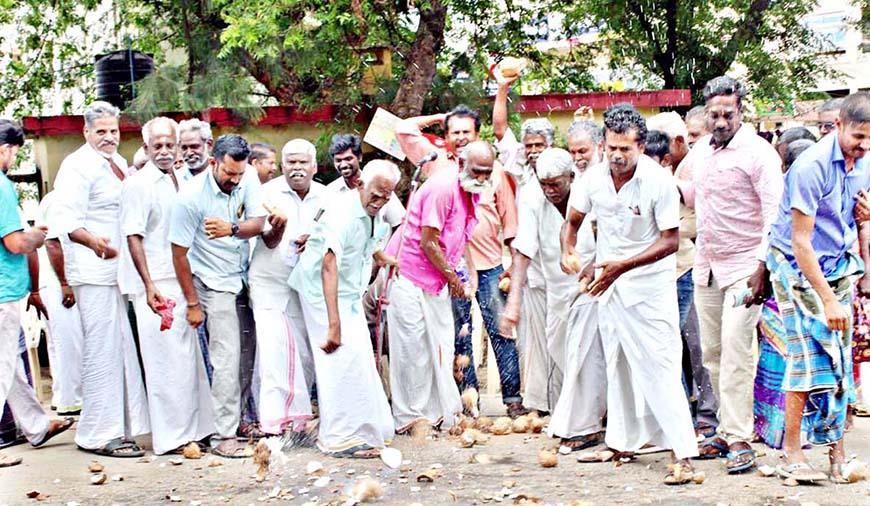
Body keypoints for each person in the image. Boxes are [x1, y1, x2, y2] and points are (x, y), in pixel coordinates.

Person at [560, 103, 698, 484]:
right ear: (604, 144)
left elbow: (670, 241)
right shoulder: (592, 179)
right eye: (612, 148)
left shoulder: (657, 182)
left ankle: (682, 453)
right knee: (616, 363)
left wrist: (621, 265)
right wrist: (568, 252)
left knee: (662, 366)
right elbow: (572, 223)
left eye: (626, 149)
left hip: (650, 288)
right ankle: (621, 442)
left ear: (640, 146)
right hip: (608, 284)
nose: (618, 156)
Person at [676, 76, 783, 473]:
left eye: (728, 113)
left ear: (741, 112)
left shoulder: (759, 154)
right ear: (705, 113)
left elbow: (776, 214)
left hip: (744, 271)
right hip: (706, 267)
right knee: (713, 354)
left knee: (737, 350)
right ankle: (724, 428)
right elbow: (690, 193)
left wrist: (762, 267)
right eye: (714, 114)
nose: (720, 121)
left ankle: (741, 438)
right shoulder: (700, 151)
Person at [766, 91, 870, 484]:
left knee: (841, 363)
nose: (863, 146)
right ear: (839, 125)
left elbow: (859, 216)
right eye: (858, 136)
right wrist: (827, 299)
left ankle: (837, 454)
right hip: (796, 268)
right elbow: (800, 242)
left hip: (839, 264)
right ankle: (792, 453)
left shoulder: (865, 161)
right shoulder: (810, 166)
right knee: (807, 359)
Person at [50, 102, 150, 457]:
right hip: (93, 271)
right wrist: (94, 243)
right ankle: (97, 434)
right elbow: (65, 221)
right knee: (102, 349)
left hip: (118, 273)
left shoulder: (118, 163)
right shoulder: (76, 166)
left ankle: (124, 426)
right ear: (86, 132)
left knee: (121, 345)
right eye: (101, 132)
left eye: (114, 131)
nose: (109, 138)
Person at [290, 160, 400, 457]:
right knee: (338, 358)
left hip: (349, 293)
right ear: (360, 183)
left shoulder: (375, 210)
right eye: (376, 195)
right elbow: (329, 265)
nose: (379, 202)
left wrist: (385, 258)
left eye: (386, 197)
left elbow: (366, 243)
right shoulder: (343, 213)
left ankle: (364, 430)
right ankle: (338, 437)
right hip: (321, 292)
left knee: (360, 358)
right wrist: (333, 324)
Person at [119, 117, 215, 455]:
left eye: (168, 145)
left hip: (182, 279)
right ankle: (173, 437)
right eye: (156, 145)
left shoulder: (178, 179)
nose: (163, 151)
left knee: (188, 360)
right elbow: (133, 236)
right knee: (165, 363)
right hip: (156, 283)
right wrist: (147, 286)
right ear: (145, 148)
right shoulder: (138, 184)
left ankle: (198, 429)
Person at [169, 134, 267, 458]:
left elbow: (259, 222)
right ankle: (224, 436)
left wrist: (233, 229)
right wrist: (193, 304)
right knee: (226, 358)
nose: (235, 180)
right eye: (229, 174)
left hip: (243, 278)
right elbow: (179, 254)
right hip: (211, 281)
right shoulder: (190, 198)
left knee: (247, 354)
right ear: (213, 163)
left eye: (239, 174)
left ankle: (239, 420)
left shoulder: (248, 177)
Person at [501, 148, 605, 451]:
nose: (549, 191)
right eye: (544, 184)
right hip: (557, 292)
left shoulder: (590, 190)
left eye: (555, 184)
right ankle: (586, 418)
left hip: (593, 285)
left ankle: (587, 423)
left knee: (586, 355)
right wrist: (514, 303)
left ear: (571, 177)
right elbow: (523, 252)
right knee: (562, 353)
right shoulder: (533, 197)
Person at [387, 141, 495, 432]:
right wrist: (454, 279)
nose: (482, 178)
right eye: (477, 171)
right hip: (409, 275)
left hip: (435, 280)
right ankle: (410, 418)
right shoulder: (443, 188)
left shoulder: (471, 191)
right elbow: (428, 242)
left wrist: (464, 275)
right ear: (461, 165)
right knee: (413, 349)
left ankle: (438, 413)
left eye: (487, 172)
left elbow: (459, 240)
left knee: (442, 346)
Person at [0, 119, 74, 468]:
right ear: (7, 149)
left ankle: (35, 425)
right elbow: (15, 243)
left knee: (10, 367)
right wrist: (37, 235)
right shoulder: (1, 186)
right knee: (1, 368)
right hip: (3, 289)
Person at [647, 113, 719, 438]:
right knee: (670, 348)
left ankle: (707, 418)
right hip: (664, 271)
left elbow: (695, 223)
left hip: (693, 269)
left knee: (699, 347)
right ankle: (678, 419)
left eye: (660, 143)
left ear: (677, 142)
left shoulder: (697, 166)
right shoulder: (663, 169)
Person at [491, 69, 557, 415]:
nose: (532, 151)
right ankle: (538, 403)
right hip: (528, 269)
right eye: (529, 146)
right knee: (531, 341)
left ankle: (564, 404)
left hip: (560, 269)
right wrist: (502, 89)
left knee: (559, 340)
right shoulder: (520, 169)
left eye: (538, 146)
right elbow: (500, 131)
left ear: (551, 147)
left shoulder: (561, 171)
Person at [247, 139, 322, 436]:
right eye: (291, 162)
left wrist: (313, 242)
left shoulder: (327, 197)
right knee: (273, 350)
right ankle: (274, 422)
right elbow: (267, 239)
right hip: (269, 283)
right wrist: (277, 227)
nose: (297, 168)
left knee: (303, 353)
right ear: (282, 166)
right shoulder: (266, 194)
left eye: (303, 162)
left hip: (306, 286)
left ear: (314, 166)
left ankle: (298, 419)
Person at [36, 191, 84, 416]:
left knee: (60, 343)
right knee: (69, 343)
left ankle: (62, 396)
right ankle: (71, 399)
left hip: (54, 281)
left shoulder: (56, 198)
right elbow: (52, 243)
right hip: (58, 282)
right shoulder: (60, 200)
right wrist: (65, 283)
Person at [326, 134, 405, 228]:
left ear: (359, 157)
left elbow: (399, 225)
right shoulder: (330, 191)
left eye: (348, 159)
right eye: (338, 160)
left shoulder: (380, 184)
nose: (343, 165)